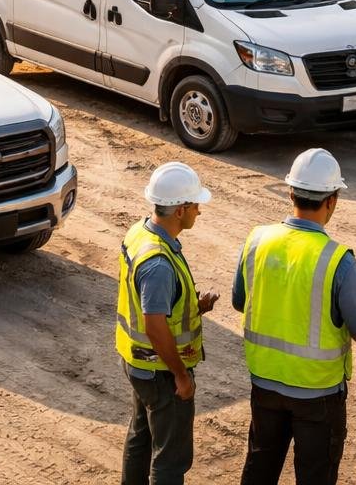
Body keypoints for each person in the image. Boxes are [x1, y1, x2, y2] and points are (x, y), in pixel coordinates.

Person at [235, 149, 356, 485]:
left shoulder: (257, 240)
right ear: (332, 201)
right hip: (317, 394)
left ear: (290, 192)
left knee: (259, 469)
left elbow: (240, 301)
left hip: (264, 382)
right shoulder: (339, 261)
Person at [118, 161, 218, 485]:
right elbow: (155, 325)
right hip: (161, 371)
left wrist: (195, 307)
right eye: (196, 205)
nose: (199, 212)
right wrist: (180, 376)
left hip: (137, 363)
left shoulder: (139, 233)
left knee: (141, 437)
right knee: (170, 461)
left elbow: (155, 307)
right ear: (181, 209)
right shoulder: (159, 263)